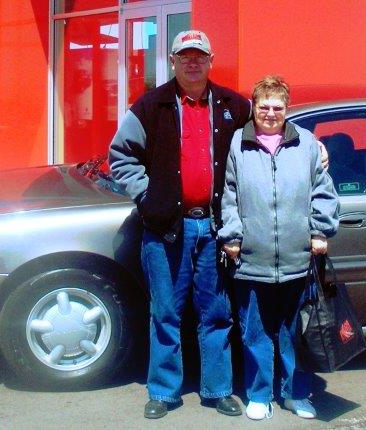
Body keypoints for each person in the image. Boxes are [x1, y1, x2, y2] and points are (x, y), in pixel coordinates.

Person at [109, 30, 250, 419]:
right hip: (166, 229)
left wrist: (308, 143)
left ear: (210, 60)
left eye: (199, 56)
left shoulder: (233, 106)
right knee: (165, 313)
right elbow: (121, 155)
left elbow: (271, 131)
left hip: (217, 229)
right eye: (184, 56)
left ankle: (218, 388)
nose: (192, 62)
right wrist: (147, 195)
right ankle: (163, 392)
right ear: (172, 61)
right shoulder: (150, 105)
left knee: (216, 313)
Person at [217, 75, 340, 421]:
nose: (270, 113)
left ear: (287, 109)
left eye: (277, 107)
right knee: (254, 333)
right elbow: (229, 196)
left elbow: (323, 192)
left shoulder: (306, 144)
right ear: (254, 108)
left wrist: (319, 230)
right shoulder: (239, 145)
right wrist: (232, 236)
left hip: (296, 259)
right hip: (250, 260)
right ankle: (259, 395)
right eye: (263, 107)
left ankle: (295, 394)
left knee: (293, 334)